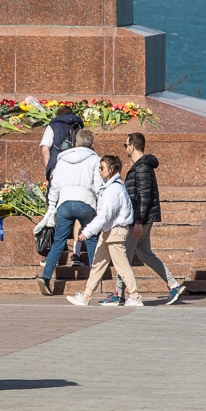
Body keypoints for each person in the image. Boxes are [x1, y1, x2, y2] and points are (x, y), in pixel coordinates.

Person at [99, 132, 186, 306]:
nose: (125, 148)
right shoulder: (140, 166)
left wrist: (138, 221)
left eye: (126, 145)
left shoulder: (142, 167)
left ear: (132, 146)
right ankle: (173, 284)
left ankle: (119, 293)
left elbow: (144, 196)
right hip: (141, 217)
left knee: (124, 255)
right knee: (145, 254)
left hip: (139, 219)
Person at [66, 155, 143, 307]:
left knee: (122, 266)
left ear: (111, 170)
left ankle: (135, 297)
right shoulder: (109, 187)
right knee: (98, 263)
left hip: (115, 231)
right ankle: (86, 295)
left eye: (102, 168)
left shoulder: (113, 189)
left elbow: (104, 216)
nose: (99, 170)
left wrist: (87, 232)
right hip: (109, 231)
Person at [35, 129, 102, 296]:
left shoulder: (62, 159)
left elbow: (55, 184)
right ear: (92, 145)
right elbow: (98, 185)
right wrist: (99, 204)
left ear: (76, 143)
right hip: (86, 202)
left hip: (64, 203)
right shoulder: (95, 159)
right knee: (91, 238)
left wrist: (51, 207)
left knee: (58, 242)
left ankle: (45, 276)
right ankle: (94, 279)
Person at [39, 105, 86, 266]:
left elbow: (46, 149)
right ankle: (76, 254)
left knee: (52, 210)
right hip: (78, 173)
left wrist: (49, 172)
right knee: (78, 215)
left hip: (58, 171)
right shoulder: (79, 125)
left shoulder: (53, 125)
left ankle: (53, 254)